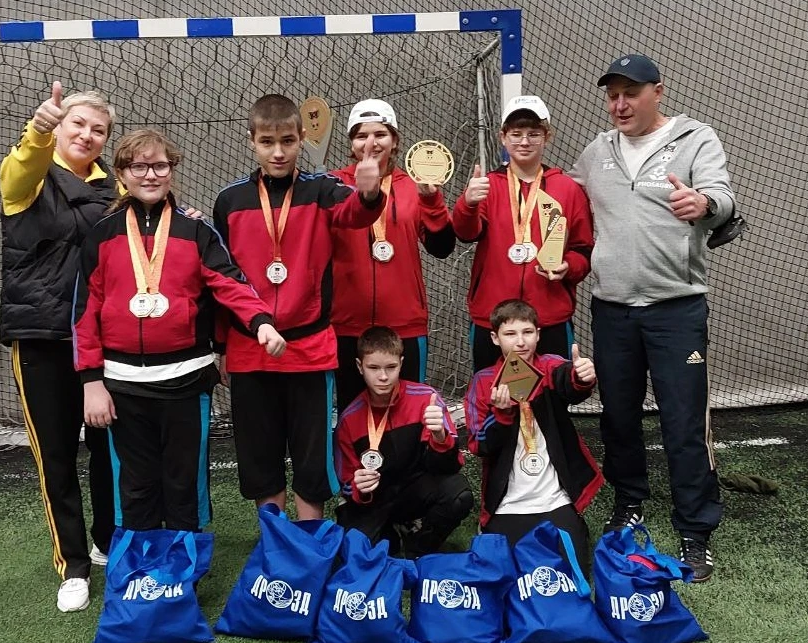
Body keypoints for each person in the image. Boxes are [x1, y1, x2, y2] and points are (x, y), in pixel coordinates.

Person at [73, 129, 286, 539]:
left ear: (172, 170)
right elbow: (84, 311)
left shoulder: (196, 230)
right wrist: (90, 381)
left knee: (184, 480)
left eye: (160, 165)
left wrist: (261, 322)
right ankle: (140, 566)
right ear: (121, 173)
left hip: (187, 380)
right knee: (134, 483)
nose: (150, 175)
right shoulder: (103, 234)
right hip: (123, 384)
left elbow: (230, 283)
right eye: (139, 166)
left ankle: (184, 566)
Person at [571, 54, 736, 582]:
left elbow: (724, 197)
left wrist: (704, 203)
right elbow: (562, 198)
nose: (620, 104)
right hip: (612, 308)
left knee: (683, 422)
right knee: (617, 416)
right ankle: (629, 503)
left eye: (631, 94)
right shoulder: (597, 151)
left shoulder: (695, 139)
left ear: (657, 92)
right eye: (612, 95)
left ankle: (696, 529)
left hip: (676, 309)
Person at [212, 94, 384, 521]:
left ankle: (308, 542)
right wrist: (222, 347)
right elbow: (222, 278)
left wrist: (369, 193)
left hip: (309, 350)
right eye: (267, 142)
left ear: (302, 138)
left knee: (311, 458)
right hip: (250, 349)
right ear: (251, 140)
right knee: (260, 456)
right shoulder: (229, 201)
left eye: (287, 141)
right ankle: (274, 541)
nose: (278, 152)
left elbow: (355, 214)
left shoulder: (322, 190)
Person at [0, 82, 118, 612]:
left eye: (99, 130)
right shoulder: (26, 177)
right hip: (42, 338)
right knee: (57, 457)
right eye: (78, 124)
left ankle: (107, 541)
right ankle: (72, 565)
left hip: (103, 341)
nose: (87, 135)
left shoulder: (115, 188)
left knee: (110, 451)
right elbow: (22, 165)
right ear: (60, 127)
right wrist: (39, 129)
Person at [330, 99, 456, 413]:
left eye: (380, 134)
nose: (371, 143)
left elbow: (442, 248)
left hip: (405, 322)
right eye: (361, 136)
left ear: (395, 140)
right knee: (351, 414)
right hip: (346, 324)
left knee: (408, 412)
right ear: (351, 143)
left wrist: (432, 202)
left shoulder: (415, 185)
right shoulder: (332, 185)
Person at [453, 96, 594, 372]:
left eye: (533, 134)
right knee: (493, 393)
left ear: (547, 136)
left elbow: (584, 249)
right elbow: (465, 233)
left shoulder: (568, 189)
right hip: (494, 320)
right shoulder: (487, 186)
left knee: (552, 393)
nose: (525, 141)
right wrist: (467, 203)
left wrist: (568, 266)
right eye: (516, 134)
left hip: (548, 319)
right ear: (503, 137)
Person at [464, 299, 602, 573]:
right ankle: (491, 527)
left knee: (571, 576)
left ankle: (572, 523)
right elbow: (479, 445)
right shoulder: (483, 382)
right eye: (510, 334)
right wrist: (501, 414)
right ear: (495, 338)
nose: (520, 342)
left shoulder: (549, 366)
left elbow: (568, 382)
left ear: (538, 334)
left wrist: (582, 377)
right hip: (508, 504)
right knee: (505, 578)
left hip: (555, 500)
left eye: (527, 332)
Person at [335, 326, 472, 557]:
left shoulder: (426, 400)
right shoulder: (349, 419)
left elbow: (450, 467)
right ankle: (392, 535)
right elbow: (347, 483)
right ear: (360, 367)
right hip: (376, 500)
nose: (383, 376)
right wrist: (359, 487)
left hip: (415, 490)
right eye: (373, 368)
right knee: (356, 551)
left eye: (391, 367)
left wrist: (439, 435)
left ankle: (418, 548)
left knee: (458, 494)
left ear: (401, 363)